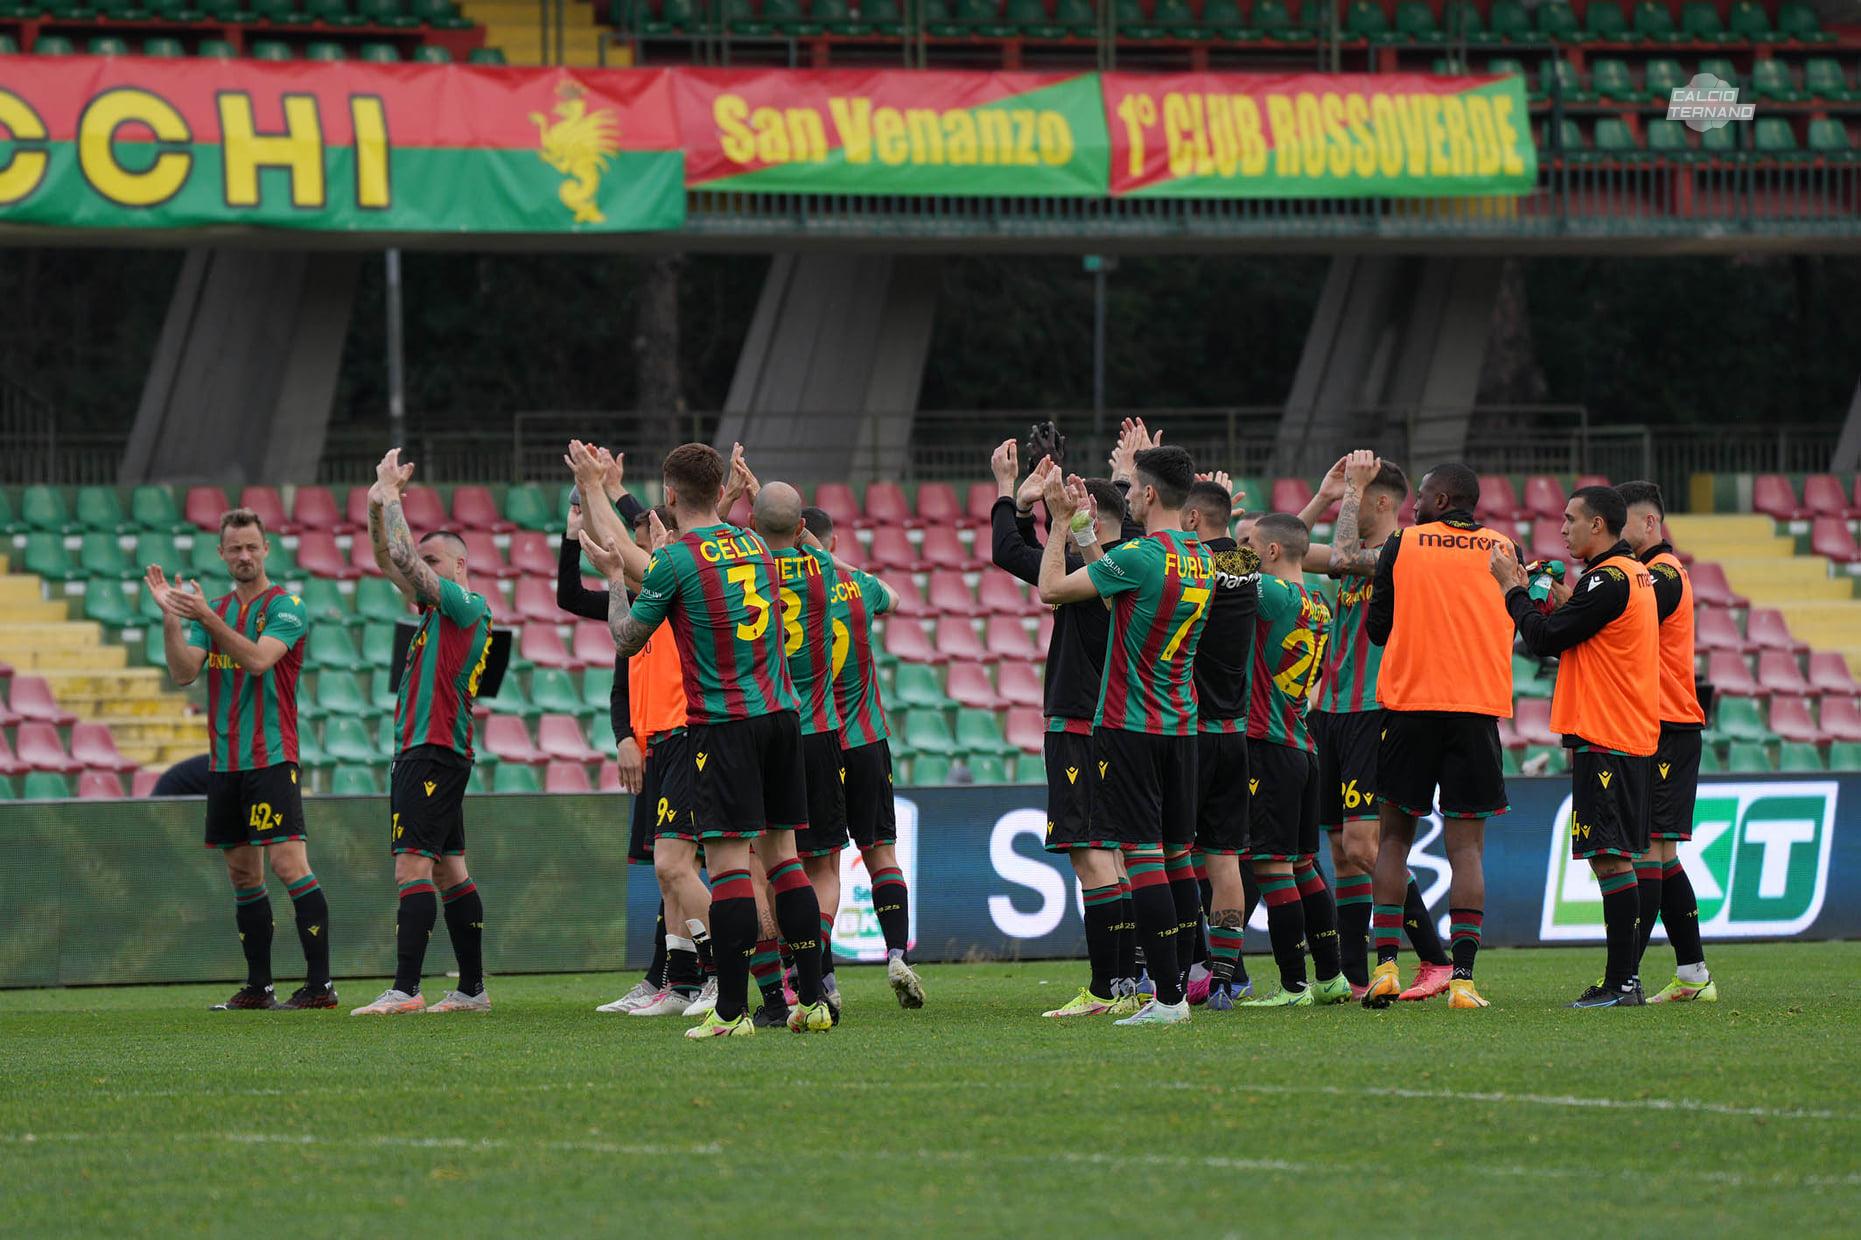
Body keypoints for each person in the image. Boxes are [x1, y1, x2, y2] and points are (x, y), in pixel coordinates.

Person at [580, 441, 833, 1038]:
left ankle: (730, 1013)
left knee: (726, 869)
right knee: (785, 860)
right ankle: (815, 998)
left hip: (724, 726)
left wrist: (615, 577)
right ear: (722, 492)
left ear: (669, 495)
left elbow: (624, 637)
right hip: (782, 716)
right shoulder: (754, 542)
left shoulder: (675, 560)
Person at [1038, 446, 1213, 1028]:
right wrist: (1091, 530)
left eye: (1134, 487)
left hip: (1131, 726)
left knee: (1141, 860)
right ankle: (1181, 986)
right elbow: (1119, 593)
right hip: (1183, 725)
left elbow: (1052, 590)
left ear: (1151, 495)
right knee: (1179, 858)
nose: (1131, 494)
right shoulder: (1206, 559)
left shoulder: (1139, 554)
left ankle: (1165, 999)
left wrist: (1062, 523)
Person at [148, 509, 331, 1011]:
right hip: (225, 762)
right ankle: (259, 987)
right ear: (222, 554)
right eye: (235, 548)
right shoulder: (220, 608)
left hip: (271, 756)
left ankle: (321, 986)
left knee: (288, 863)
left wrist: (203, 616)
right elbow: (185, 673)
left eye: (252, 546)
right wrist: (171, 618)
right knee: (243, 875)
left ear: (266, 549)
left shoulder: (286, 606)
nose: (245, 556)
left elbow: (256, 660)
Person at [990, 438, 1141, 1018]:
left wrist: (1013, 495)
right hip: (1123, 723)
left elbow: (1011, 553)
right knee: (1119, 855)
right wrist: (1123, 480)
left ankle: (1106, 990)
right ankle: (1128, 982)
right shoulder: (1137, 560)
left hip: (1080, 720)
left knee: (1089, 852)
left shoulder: (1087, 571)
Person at [1494, 485, 1661, 1008]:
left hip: (1608, 731)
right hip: (1619, 729)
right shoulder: (1623, 575)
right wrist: (1559, 596)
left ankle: (1623, 983)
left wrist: (1513, 591)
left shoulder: (1609, 579)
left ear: (1598, 526)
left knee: (1610, 858)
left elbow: (1543, 640)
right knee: (1613, 856)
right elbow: (1584, 626)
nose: (1562, 528)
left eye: (1570, 520)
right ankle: (1623, 980)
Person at [1300, 452, 1453, 1001]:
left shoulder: (1403, 554)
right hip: (1332, 711)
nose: (1348, 503)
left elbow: (1341, 554)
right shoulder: (1352, 554)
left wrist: (1347, 493)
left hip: (1374, 708)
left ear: (1382, 502)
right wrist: (1323, 495)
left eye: (1357, 496)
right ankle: (1356, 975)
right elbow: (1262, 554)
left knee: (1366, 846)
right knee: (1341, 849)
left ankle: (1436, 960)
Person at [1363, 463, 1516, 1011]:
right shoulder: (1503, 547)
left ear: (1443, 498)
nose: (1415, 505)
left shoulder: (1402, 543)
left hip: (1410, 707)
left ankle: (1384, 968)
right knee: (1467, 849)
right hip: (1475, 710)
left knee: (1394, 841)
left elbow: (1378, 629)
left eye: (1422, 496)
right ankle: (1464, 981)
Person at [350, 450, 496, 1016]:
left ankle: (406, 990)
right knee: (448, 867)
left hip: (432, 750)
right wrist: (374, 501)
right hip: (435, 750)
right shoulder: (437, 615)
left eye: (436, 561)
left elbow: (406, 559)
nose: (422, 569)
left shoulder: (464, 607)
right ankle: (472, 990)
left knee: (411, 865)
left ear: (459, 567)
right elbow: (393, 560)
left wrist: (390, 499)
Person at [801, 504, 925, 1010]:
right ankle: (896, 954)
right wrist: (841, 565)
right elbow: (895, 597)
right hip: (867, 739)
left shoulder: (789, 591)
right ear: (832, 545)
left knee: (821, 867)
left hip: (817, 740)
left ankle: (824, 976)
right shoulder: (858, 588)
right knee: (881, 854)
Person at [754, 479, 858, 1027]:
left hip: (762, 725)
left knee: (757, 863)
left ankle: (777, 990)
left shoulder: (745, 571)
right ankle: (813, 971)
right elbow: (879, 592)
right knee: (822, 864)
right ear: (802, 529)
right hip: (819, 730)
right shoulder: (828, 574)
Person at [1232, 513, 1347, 1007]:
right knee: (1303, 865)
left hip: (1270, 744)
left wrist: (1211, 533)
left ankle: (1294, 984)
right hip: (1302, 743)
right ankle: (1330, 976)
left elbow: (1224, 574)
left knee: (1271, 867)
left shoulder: (1273, 595)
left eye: (1251, 544)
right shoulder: (1318, 603)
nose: (1246, 551)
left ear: (1273, 552)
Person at [1617, 480, 1715, 1003]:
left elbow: (1621, 620)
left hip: (1668, 724)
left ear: (1650, 524)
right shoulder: (1643, 574)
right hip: (1655, 722)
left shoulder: (1662, 574)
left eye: (1622, 519)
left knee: (1649, 850)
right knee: (1662, 855)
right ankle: (1693, 974)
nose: (1614, 526)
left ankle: (1624, 977)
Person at [1179, 476, 1259, 1009]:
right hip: (1237, 732)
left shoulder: (1196, 566)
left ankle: (1181, 966)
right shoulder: (1248, 568)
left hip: (1192, 730)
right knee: (1226, 861)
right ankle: (1225, 977)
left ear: (1190, 520)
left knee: (1172, 855)